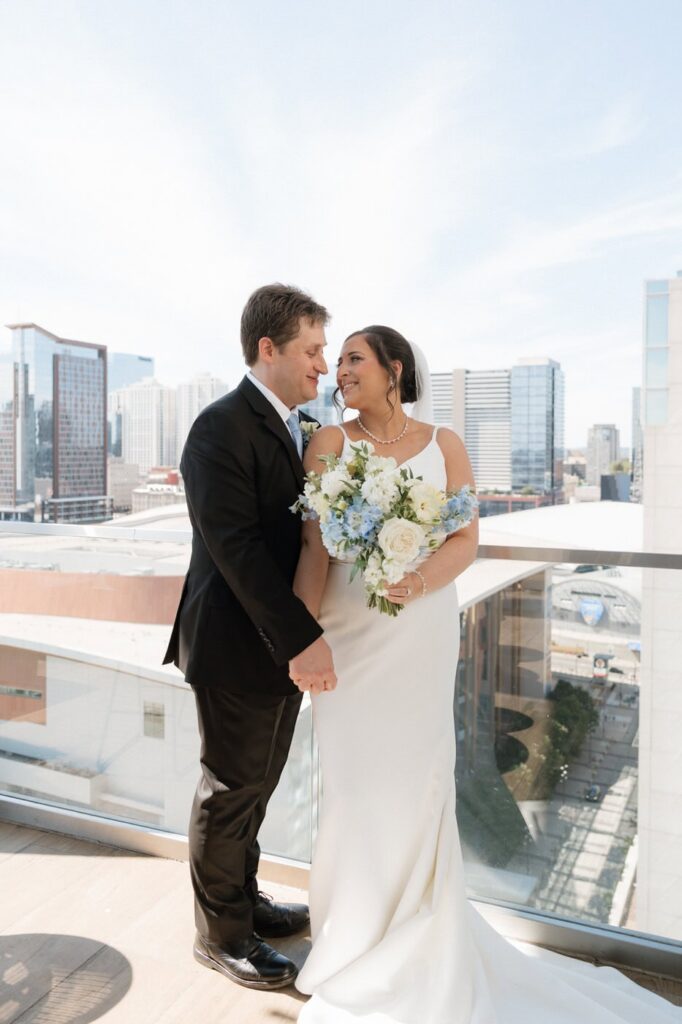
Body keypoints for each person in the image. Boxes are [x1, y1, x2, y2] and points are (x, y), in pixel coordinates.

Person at [291, 326, 680, 1022]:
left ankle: (418, 939)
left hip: (420, 635)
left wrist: (413, 581)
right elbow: (315, 546)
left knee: (418, 780)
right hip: (349, 635)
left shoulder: (446, 445)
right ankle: (350, 940)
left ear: (394, 369)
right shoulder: (328, 443)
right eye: (339, 360)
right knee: (349, 788)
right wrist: (299, 636)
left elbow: (464, 538)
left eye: (354, 359)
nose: (340, 371)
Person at [163, 283, 337, 991]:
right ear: (269, 349)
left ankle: (246, 900)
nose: (322, 366)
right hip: (239, 646)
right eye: (312, 350)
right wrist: (302, 639)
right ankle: (221, 935)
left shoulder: (293, 426)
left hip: (272, 645)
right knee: (230, 789)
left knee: (257, 789)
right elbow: (236, 550)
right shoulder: (218, 427)